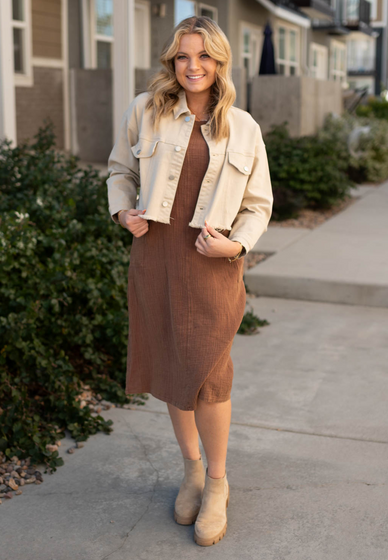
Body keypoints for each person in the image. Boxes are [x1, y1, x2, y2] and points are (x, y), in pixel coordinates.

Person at [107, 16, 273, 547]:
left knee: (209, 373)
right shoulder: (145, 110)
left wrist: (238, 244)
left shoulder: (243, 126)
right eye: (183, 56)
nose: (192, 66)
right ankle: (193, 471)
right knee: (173, 366)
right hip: (155, 258)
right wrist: (121, 213)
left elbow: (258, 204)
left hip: (212, 265)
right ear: (171, 61)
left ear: (220, 62)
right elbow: (119, 172)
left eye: (203, 56)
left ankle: (218, 484)